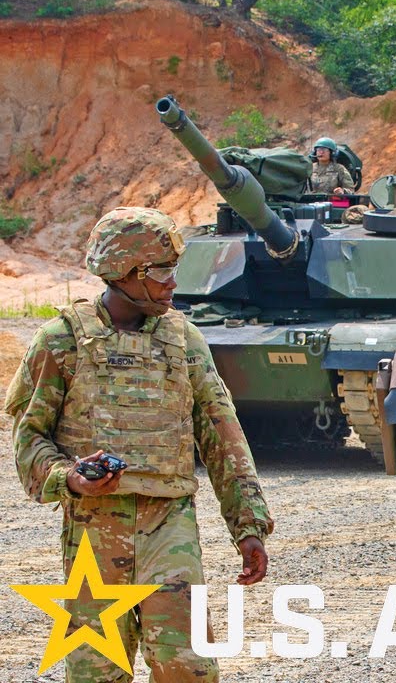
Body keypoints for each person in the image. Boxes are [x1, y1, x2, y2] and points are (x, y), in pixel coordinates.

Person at [5, 207, 273, 681]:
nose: (173, 283)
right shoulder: (61, 341)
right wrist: (69, 477)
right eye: (161, 272)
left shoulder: (184, 341)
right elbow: (30, 437)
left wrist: (247, 525)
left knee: (186, 665)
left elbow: (222, 436)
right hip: (93, 529)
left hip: (169, 524)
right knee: (96, 670)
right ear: (123, 271)